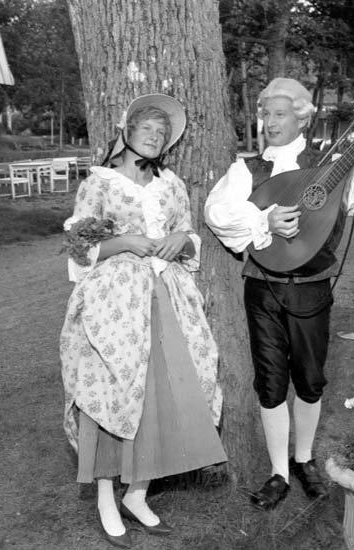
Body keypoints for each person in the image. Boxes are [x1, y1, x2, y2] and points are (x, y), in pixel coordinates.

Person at [204, 78, 354, 510]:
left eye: (280, 114)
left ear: (302, 118)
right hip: (263, 289)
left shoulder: (330, 165)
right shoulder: (248, 170)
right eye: (265, 114)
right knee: (271, 380)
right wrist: (264, 221)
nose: (270, 122)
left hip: (312, 288)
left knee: (310, 380)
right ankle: (278, 472)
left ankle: (304, 460)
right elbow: (216, 211)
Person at [59, 93, 226, 549]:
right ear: (126, 131)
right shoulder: (99, 183)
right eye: (146, 129)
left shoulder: (171, 185)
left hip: (167, 295)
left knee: (162, 392)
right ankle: (106, 497)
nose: (154, 137)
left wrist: (179, 240)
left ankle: (137, 493)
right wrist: (126, 242)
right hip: (116, 300)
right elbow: (79, 248)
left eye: (162, 133)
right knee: (111, 389)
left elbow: (188, 235)